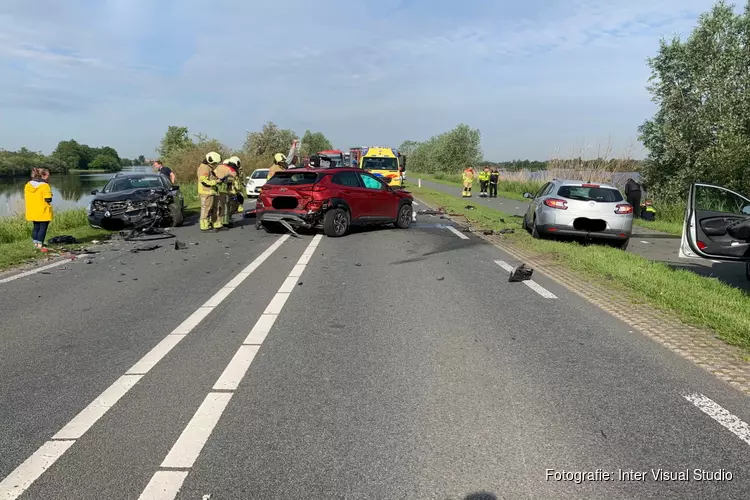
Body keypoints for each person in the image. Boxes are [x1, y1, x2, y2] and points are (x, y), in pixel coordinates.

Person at [25, 168, 54, 252]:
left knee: (36, 227)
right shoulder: (45, 185)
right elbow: (48, 199)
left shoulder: (28, 185)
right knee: (42, 228)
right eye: (48, 175)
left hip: (32, 210)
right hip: (43, 210)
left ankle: (35, 243)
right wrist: (50, 195)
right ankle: (40, 245)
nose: (49, 177)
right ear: (43, 175)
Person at [197, 152, 221, 231]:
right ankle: (204, 226)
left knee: (210, 208)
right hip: (206, 192)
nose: (215, 165)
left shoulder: (208, 167)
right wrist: (215, 182)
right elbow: (203, 181)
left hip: (210, 192)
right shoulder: (204, 168)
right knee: (206, 209)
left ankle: (210, 223)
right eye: (214, 163)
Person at [213, 158, 236, 229]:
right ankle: (223, 222)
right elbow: (231, 181)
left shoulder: (218, 167)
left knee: (216, 206)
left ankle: (213, 221)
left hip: (215, 190)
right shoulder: (231, 170)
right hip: (223, 191)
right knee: (224, 207)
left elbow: (214, 176)